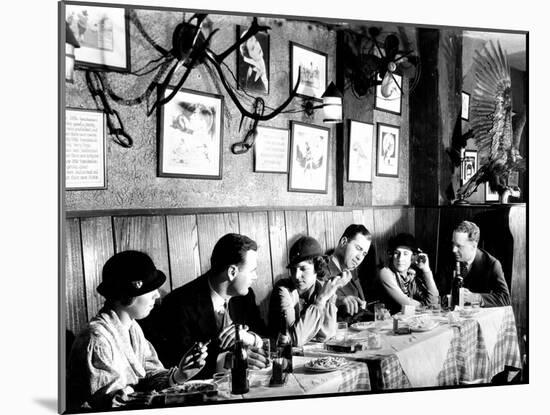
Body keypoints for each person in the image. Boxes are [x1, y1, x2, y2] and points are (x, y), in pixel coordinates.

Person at [66, 251, 208, 410]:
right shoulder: (96, 339)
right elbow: (109, 403)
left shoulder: (133, 328)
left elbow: (149, 374)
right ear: (127, 295)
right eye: (150, 289)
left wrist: (178, 375)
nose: (157, 295)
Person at [147, 233, 269, 379]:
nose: (255, 276)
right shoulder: (179, 304)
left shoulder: (245, 296)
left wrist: (251, 338)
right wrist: (226, 361)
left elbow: (265, 337)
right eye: (252, 270)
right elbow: (175, 364)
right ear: (231, 272)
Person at [268, 236, 350, 346]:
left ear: (317, 267)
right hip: (281, 357)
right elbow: (295, 339)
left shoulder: (322, 288)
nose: (296, 276)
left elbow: (326, 335)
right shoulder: (283, 289)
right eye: (293, 269)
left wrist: (330, 296)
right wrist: (320, 301)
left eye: (303, 269)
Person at [450, 220, 511, 307]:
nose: (454, 250)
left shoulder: (492, 264)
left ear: (474, 245)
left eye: (459, 246)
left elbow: (505, 298)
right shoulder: (451, 258)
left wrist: (477, 298)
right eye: (453, 244)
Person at [377, 233, 439, 314]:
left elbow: (434, 301)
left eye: (405, 254)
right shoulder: (385, 272)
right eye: (397, 253)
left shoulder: (410, 276)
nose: (400, 258)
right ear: (392, 255)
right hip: (384, 324)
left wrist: (426, 269)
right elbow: (408, 304)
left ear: (413, 257)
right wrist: (425, 306)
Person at [327, 224, 373, 320]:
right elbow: (318, 298)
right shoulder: (323, 268)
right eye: (358, 248)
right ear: (344, 242)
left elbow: (361, 302)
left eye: (364, 253)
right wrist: (340, 300)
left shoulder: (351, 270)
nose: (359, 257)